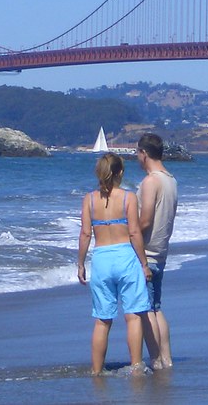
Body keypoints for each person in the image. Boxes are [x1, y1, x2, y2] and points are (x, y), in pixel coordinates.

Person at [77, 152, 152, 375]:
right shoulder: (129, 198)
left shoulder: (89, 199)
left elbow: (84, 234)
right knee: (133, 315)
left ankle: (97, 370)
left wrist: (80, 263)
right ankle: (136, 366)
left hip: (101, 258)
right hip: (125, 258)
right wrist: (144, 264)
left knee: (102, 320)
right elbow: (135, 232)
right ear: (120, 172)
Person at [136, 132, 178, 371]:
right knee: (157, 307)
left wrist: (126, 234)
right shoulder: (171, 180)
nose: (136, 158)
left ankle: (156, 360)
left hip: (147, 252)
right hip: (161, 251)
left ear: (144, 154)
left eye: (137, 153)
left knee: (146, 310)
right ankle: (167, 358)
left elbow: (145, 220)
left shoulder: (151, 182)